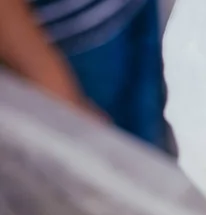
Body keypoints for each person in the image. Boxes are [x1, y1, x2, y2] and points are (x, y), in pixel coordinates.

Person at [0, 0, 168, 152]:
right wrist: (65, 102)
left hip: (134, 14)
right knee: (110, 161)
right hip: (68, 49)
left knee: (149, 138)